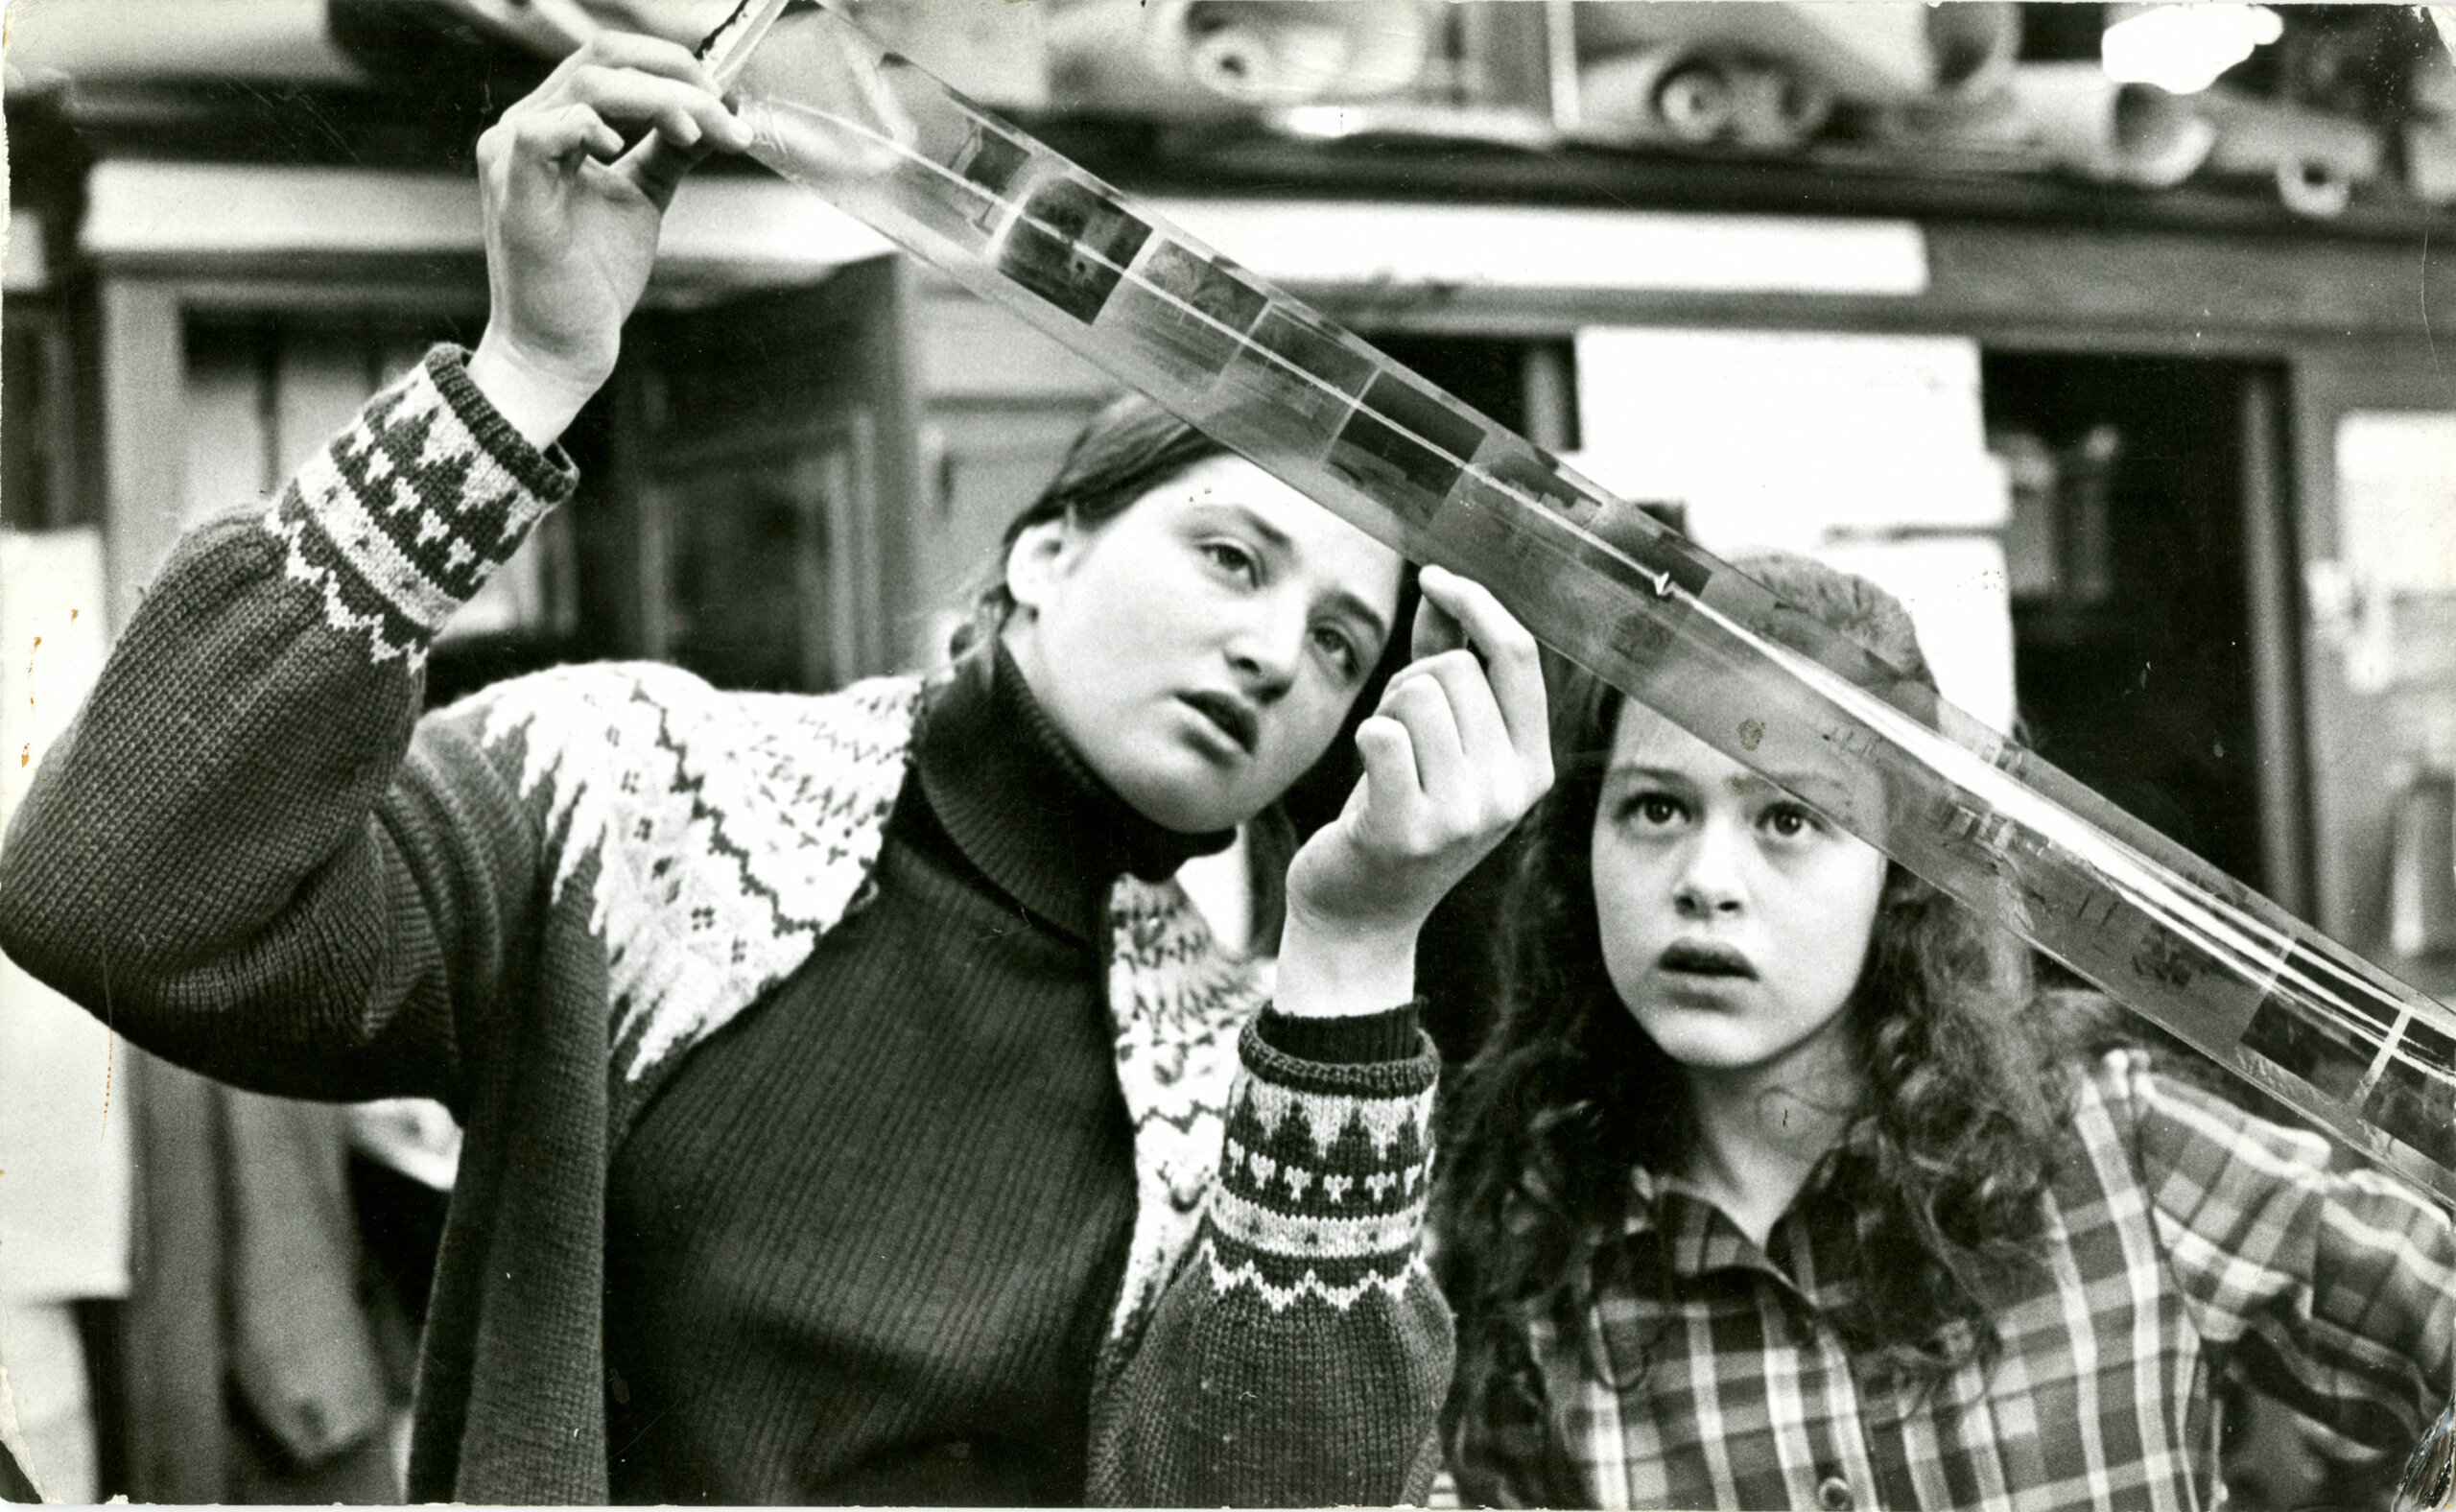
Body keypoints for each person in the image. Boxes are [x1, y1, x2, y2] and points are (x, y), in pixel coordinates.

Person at [0, 34, 1556, 1506]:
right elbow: (117, 893)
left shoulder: (1261, 1087)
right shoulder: (630, 796)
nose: (1279, 651)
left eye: (1345, 645)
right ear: (1041, 555)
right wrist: (522, 377)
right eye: (1231, 554)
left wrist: (1350, 961)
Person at [1434, 553, 2456, 1511]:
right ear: (1583, 853)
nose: (1704, 880)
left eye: (1789, 818)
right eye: (1655, 808)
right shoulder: (1541, 1279)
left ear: (1900, 876)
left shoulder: (2117, 1147)